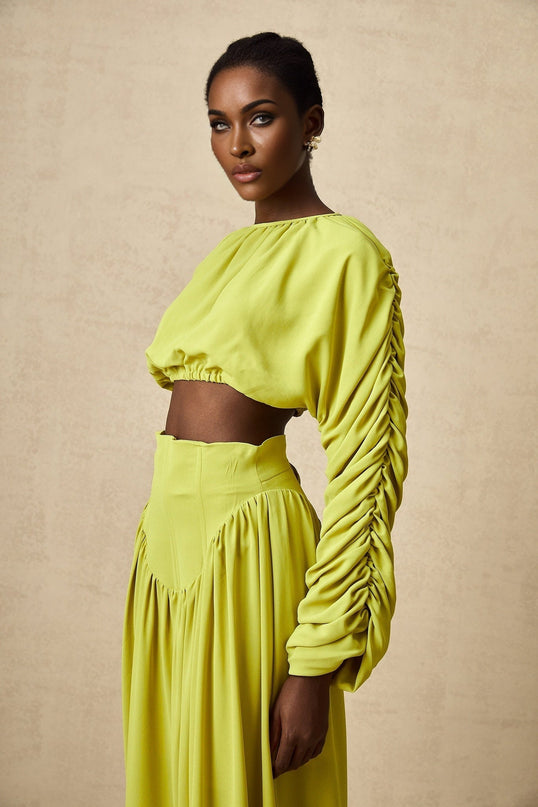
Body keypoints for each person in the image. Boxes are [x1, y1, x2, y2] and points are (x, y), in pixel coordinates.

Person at [121, 31, 408, 807]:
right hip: (166, 555)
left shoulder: (347, 254)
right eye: (219, 123)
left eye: (260, 117)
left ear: (310, 122)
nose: (237, 145)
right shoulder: (225, 256)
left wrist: (314, 662)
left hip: (249, 549)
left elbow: (367, 462)